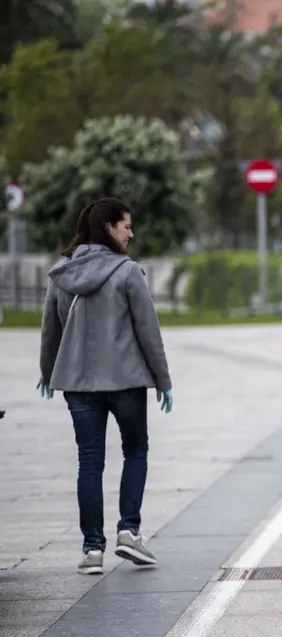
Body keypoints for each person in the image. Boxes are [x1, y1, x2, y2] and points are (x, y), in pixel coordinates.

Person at [38, 197, 174, 575]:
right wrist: (163, 381)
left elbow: (50, 333)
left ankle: (92, 550)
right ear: (108, 228)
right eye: (126, 226)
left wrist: (48, 373)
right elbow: (148, 332)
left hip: (78, 385)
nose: (131, 233)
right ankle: (129, 532)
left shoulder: (61, 274)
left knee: (89, 461)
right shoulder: (127, 272)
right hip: (126, 381)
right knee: (136, 450)